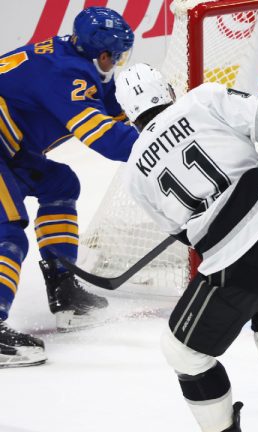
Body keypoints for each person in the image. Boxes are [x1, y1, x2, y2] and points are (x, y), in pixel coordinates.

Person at [114, 63, 258, 432]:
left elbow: (186, 235)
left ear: (127, 115)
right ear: (168, 92)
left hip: (240, 258)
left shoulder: (135, 170)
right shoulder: (201, 99)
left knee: (183, 352)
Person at [0, 7, 137, 366]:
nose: (119, 61)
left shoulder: (82, 60)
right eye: (118, 54)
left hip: (10, 150)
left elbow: (113, 113)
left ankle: (64, 292)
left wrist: (156, 127)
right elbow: (103, 135)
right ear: (103, 53)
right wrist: (157, 147)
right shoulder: (65, 74)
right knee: (8, 233)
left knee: (59, 183)